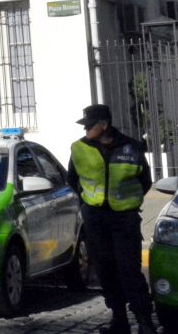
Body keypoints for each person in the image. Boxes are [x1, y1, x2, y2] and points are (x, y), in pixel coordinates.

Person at [67, 104, 156, 334]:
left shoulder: (131, 147)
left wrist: (125, 203)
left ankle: (145, 322)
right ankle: (119, 321)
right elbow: (72, 180)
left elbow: (145, 181)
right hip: (96, 219)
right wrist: (89, 203)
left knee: (130, 271)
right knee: (106, 271)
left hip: (124, 219)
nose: (86, 130)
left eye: (89, 125)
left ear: (104, 125)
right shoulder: (79, 148)